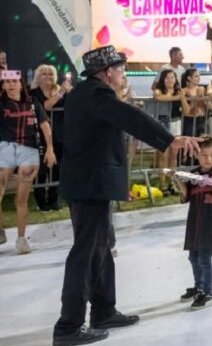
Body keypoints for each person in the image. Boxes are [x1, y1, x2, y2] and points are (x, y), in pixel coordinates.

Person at [52, 45, 198, 346]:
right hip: (90, 184)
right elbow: (130, 117)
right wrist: (170, 139)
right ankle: (68, 326)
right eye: (120, 68)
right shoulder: (96, 94)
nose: (123, 73)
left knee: (102, 246)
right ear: (108, 72)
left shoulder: (86, 93)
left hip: (90, 182)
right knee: (87, 250)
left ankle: (104, 310)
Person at [174, 135, 212, 310]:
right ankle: (199, 285)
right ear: (197, 155)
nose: (208, 159)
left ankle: (208, 291)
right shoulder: (194, 174)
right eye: (203, 155)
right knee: (193, 256)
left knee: (204, 259)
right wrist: (180, 183)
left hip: (211, 224)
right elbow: (186, 196)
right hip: (195, 223)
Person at [0, 70, 56, 252]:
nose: (10, 85)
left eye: (14, 81)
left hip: (28, 150)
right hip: (5, 148)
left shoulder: (32, 103)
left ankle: (22, 239)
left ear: (20, 83)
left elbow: (45, 125)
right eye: (6, 82)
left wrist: (50, 148)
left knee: (21, 199)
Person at [30, 64, 73, 211]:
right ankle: (41, 202)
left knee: (58, 168)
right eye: (44, 74)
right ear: (38, 77)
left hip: (61, 134)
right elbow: (45, 107)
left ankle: (54, 200)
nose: (48, 76)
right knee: (42, 170)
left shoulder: (60, 90)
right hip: (40, 135)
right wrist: (60, 93)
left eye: (50, 74)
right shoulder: (34, 93)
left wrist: (70, 93)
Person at [154, 70, 183, 193]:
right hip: (163, 123)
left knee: (174, 155)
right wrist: (177, 97)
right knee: (163, 155)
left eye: (172, 77)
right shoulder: (159, 90)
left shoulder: (179, 91)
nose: (170, 80)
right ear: (163, 79)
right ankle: (162, 183)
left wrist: (181, 97)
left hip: (176, 122)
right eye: (167, 78)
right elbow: (158, 97)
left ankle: (172, 182)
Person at [180, 68, 209, 140]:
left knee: (202, 145)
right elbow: (187, 110)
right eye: (196, 76)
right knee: (190, 145)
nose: (199, 78)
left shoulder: (202, 89)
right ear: (189, 78)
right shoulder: (184, 91)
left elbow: (210, 106)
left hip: (202, 121)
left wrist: (203, 97)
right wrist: (196, 97)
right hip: (189, 121)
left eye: (199, 76)